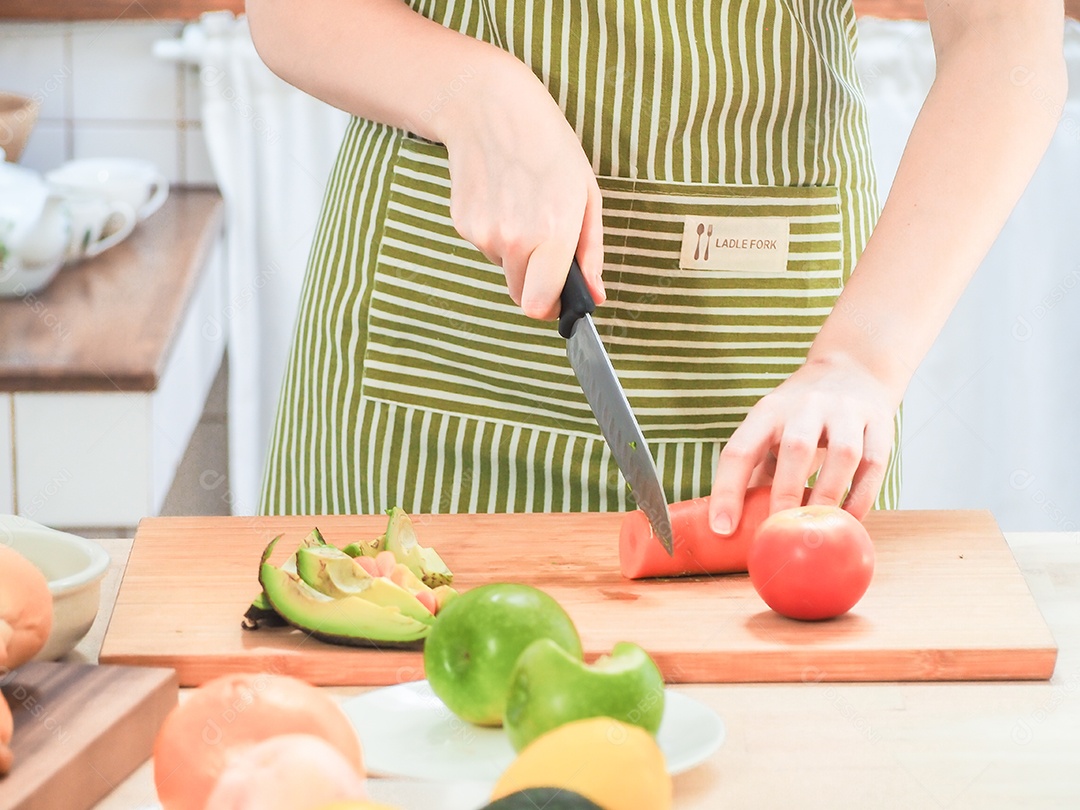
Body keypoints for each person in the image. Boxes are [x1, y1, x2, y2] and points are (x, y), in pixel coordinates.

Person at [247, 0, 1066, 533]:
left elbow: (1004, 41)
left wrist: (858, 362)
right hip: (424, 388)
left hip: (778, 405)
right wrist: (472, 92)